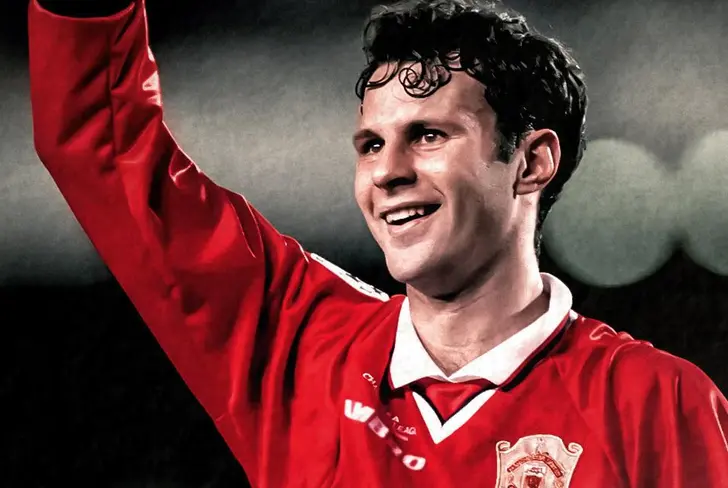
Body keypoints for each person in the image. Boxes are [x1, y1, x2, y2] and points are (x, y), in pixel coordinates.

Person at [28, 0, 728, 486]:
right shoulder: (298, 341)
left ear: (531, 162)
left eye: (428, 135)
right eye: (370, 144)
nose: (386, 173)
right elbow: (107, 151)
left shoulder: (660, 406)